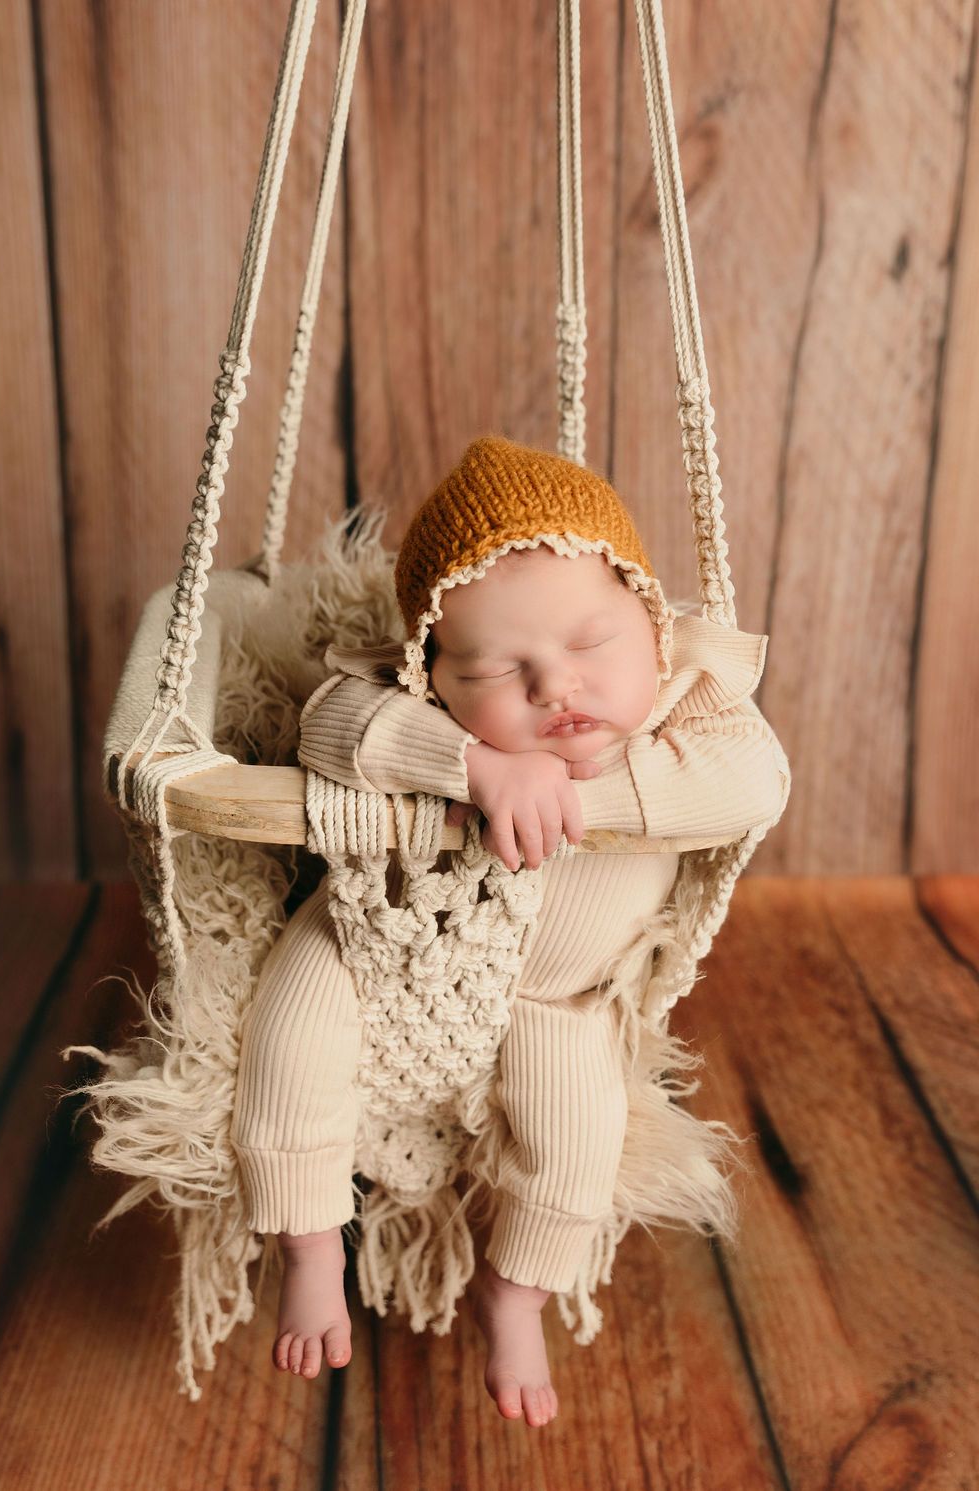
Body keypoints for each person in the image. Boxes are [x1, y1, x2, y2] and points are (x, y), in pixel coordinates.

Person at [231, 434, 790, 1428]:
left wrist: (586, 785)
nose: (555, 688)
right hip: (386, 942)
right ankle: (310, 1242)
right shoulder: (404, 708)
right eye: (497, 667)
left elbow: (756, 781)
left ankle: (517, 1292)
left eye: (588, 646)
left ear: (652, 624)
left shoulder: (684, 703)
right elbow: (328, 725)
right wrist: (476, 771)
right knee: (289, 1032)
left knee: (578, 1144)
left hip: (555, 997)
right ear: (432, 675)